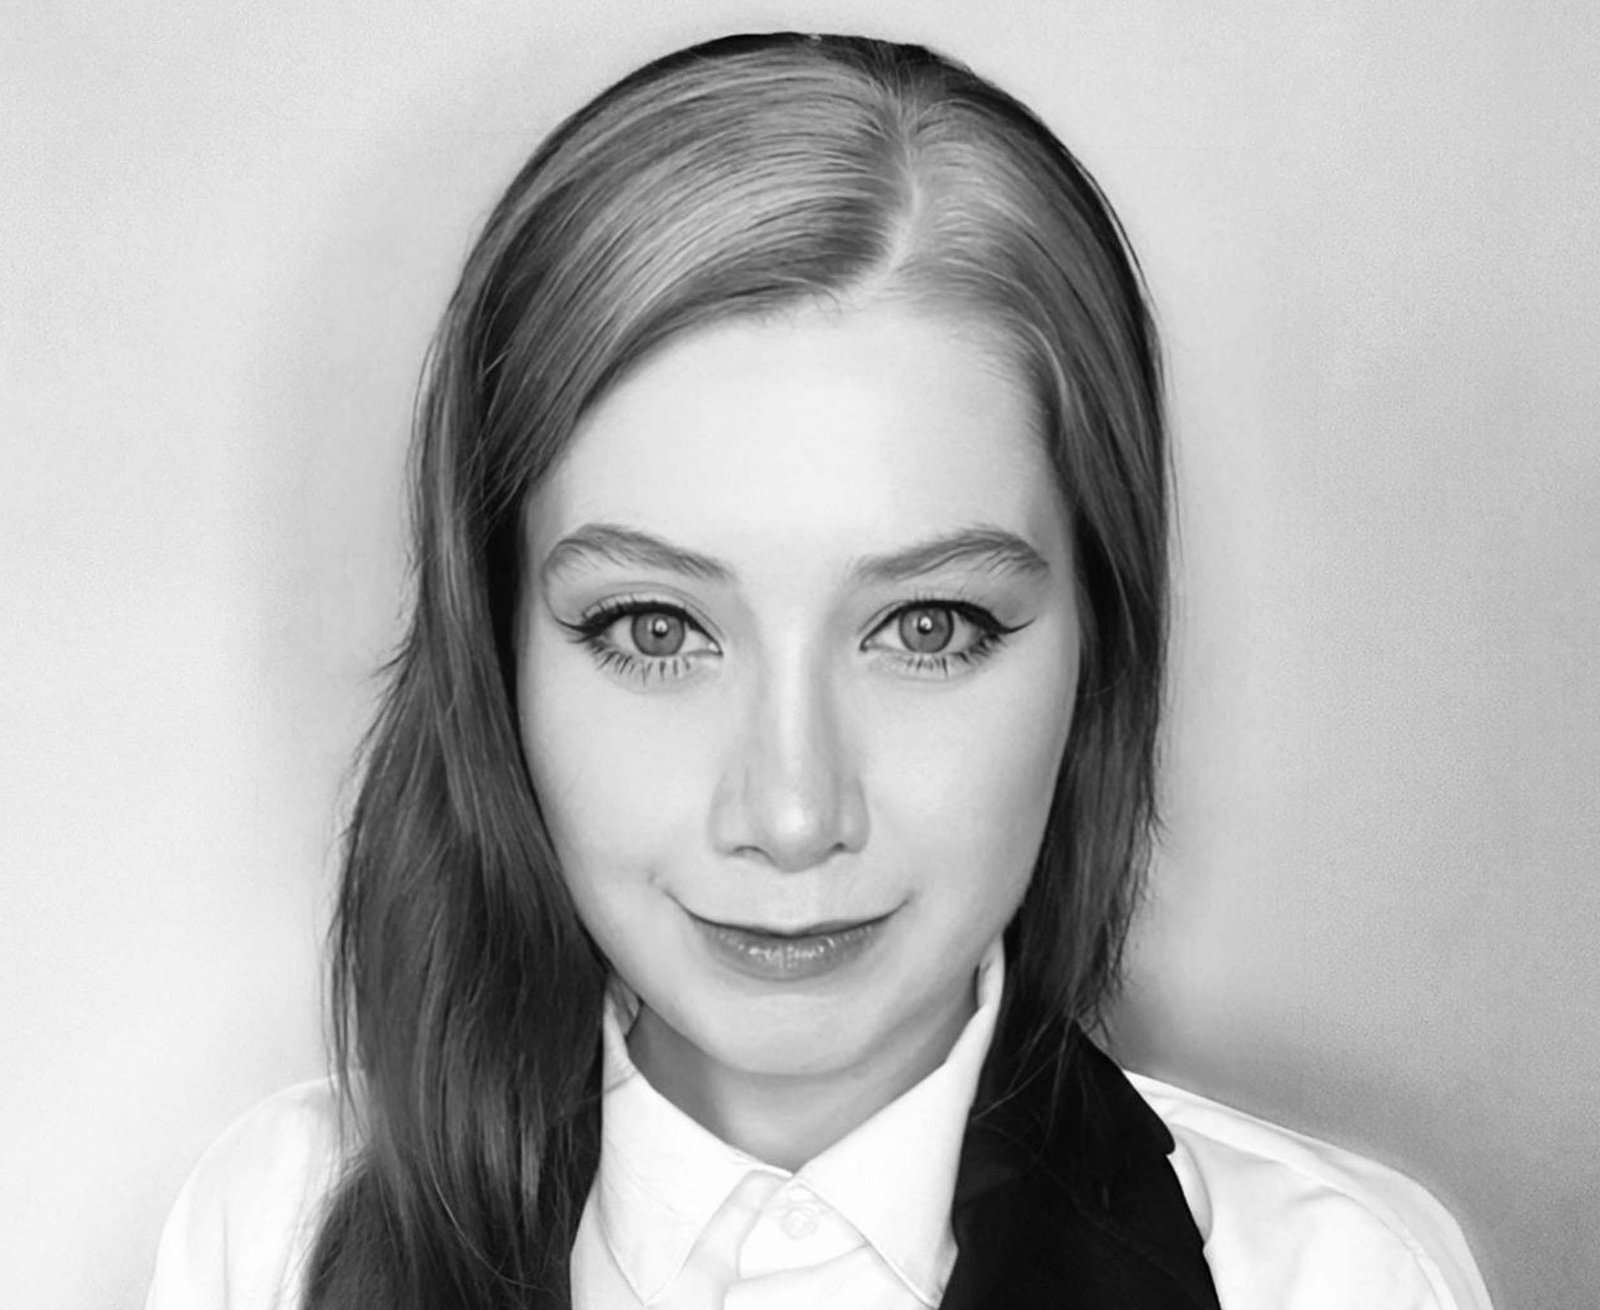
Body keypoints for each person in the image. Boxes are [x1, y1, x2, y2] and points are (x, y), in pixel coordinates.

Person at [144, 31, 1494, 1310]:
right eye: (654, 628)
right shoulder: (280, 1233)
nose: (792, 815)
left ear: (1102, 648)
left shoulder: (1334, 1280)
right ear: (494, 658)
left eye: (928, 627)